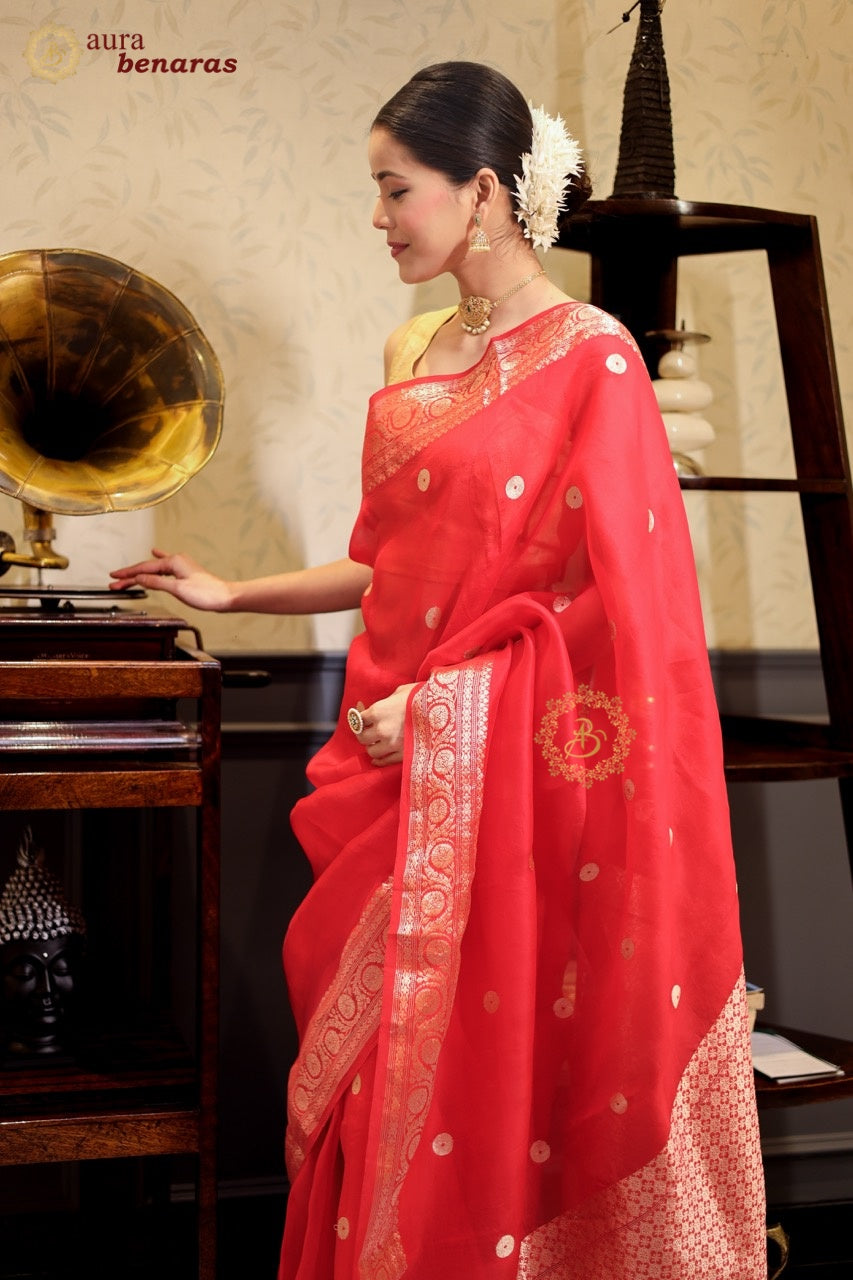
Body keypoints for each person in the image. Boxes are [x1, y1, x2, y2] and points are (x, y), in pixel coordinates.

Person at [111, 61, 767, 1280]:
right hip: (382, 765)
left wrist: (447, 709)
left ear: (483, 193)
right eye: (376, 189)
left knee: (493, 1072)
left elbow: (622, 613)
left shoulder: (595, 358)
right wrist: (234, 592)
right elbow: (387, 563)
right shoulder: (411, 347)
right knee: (374, 1082)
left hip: (502, 780)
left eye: (394, 187)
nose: (377, 217)